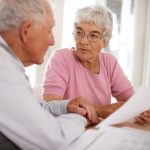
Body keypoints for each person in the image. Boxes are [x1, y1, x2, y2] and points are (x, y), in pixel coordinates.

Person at [0, 0, 100, 149]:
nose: (52, 41)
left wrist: (66, 106)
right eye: (48, 30)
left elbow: (32, 108)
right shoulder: (4, 70)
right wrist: (80, 116)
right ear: (26, 31)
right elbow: (54, 139)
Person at [42, 4, 134, 118]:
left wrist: (141, 112)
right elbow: (49, 106)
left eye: (93, 35)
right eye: (79, 33)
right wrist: (98, 110)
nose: (83, 41)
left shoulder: (109, 62)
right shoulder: (61, 58)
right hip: (68, 131)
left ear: (105, 41)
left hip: (99, 131)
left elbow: (131, 101)